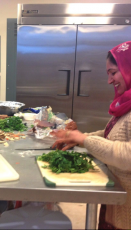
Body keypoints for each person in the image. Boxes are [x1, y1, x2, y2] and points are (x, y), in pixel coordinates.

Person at [52, 41, 131, 230]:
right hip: (117, 203)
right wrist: (75, 136)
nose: (109, 80)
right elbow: (110, 135)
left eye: (113, 72)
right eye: (108, 74)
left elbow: (128, 155)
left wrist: (83, 139)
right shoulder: (125, 104)